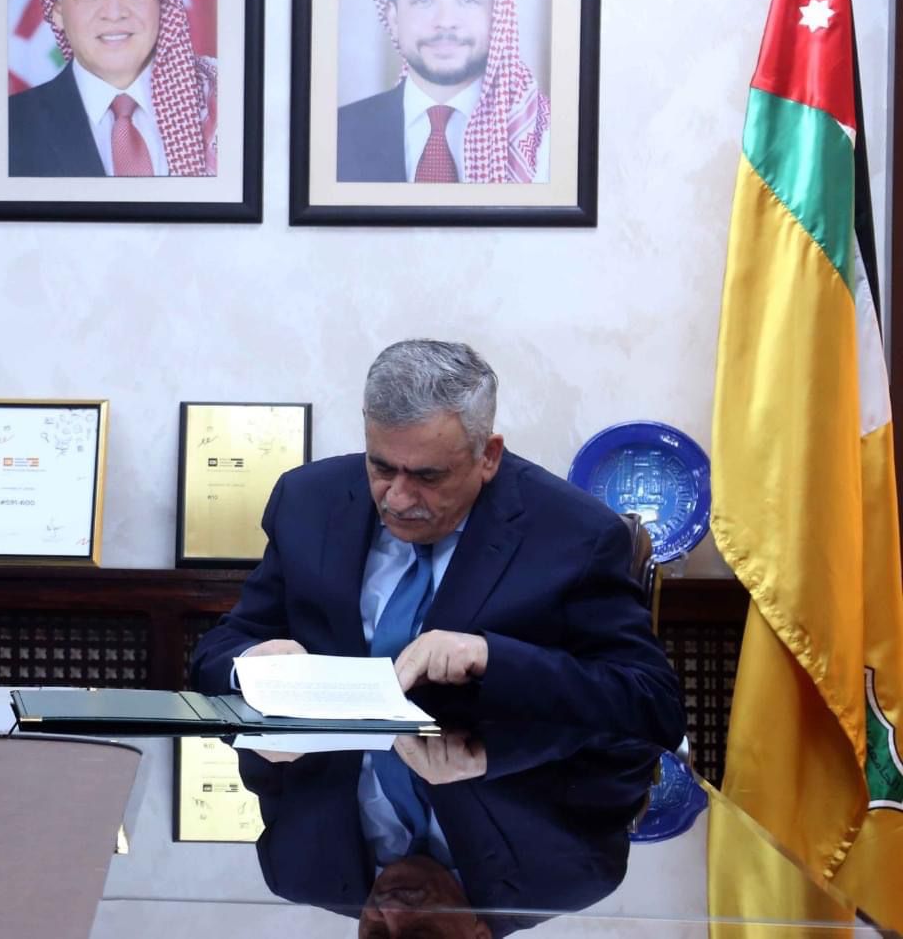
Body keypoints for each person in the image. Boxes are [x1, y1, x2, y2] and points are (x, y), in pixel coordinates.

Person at [188, 339, 685, 747]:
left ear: (488, 456)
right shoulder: (307, 503)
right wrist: (248, 665)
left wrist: (493, 658)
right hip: (327, 801)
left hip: (489, 801)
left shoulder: (575, 534)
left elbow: (653, 703)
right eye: (381, 467)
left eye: (428, 476)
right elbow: (216, 653)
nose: (398, 498)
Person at [238, 726, 660, 936]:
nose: (390, 911)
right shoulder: (571, 871)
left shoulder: (297, 868)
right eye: (420, 935)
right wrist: (498, 750)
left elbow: (254, 746)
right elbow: (636, 728)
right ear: (479, 936)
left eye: (377, 937)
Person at [337, 0, 549, 185]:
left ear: (498, 16)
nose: (446, 21)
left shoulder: (546, 137)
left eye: (469, 0)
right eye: (422, 1)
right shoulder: (335, 133)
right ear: (393, 18)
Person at [8, 0, 216, 178]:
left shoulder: (219, 106)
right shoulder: (9, 126)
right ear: (57, 12)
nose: (115, 13)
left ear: (162, 2)